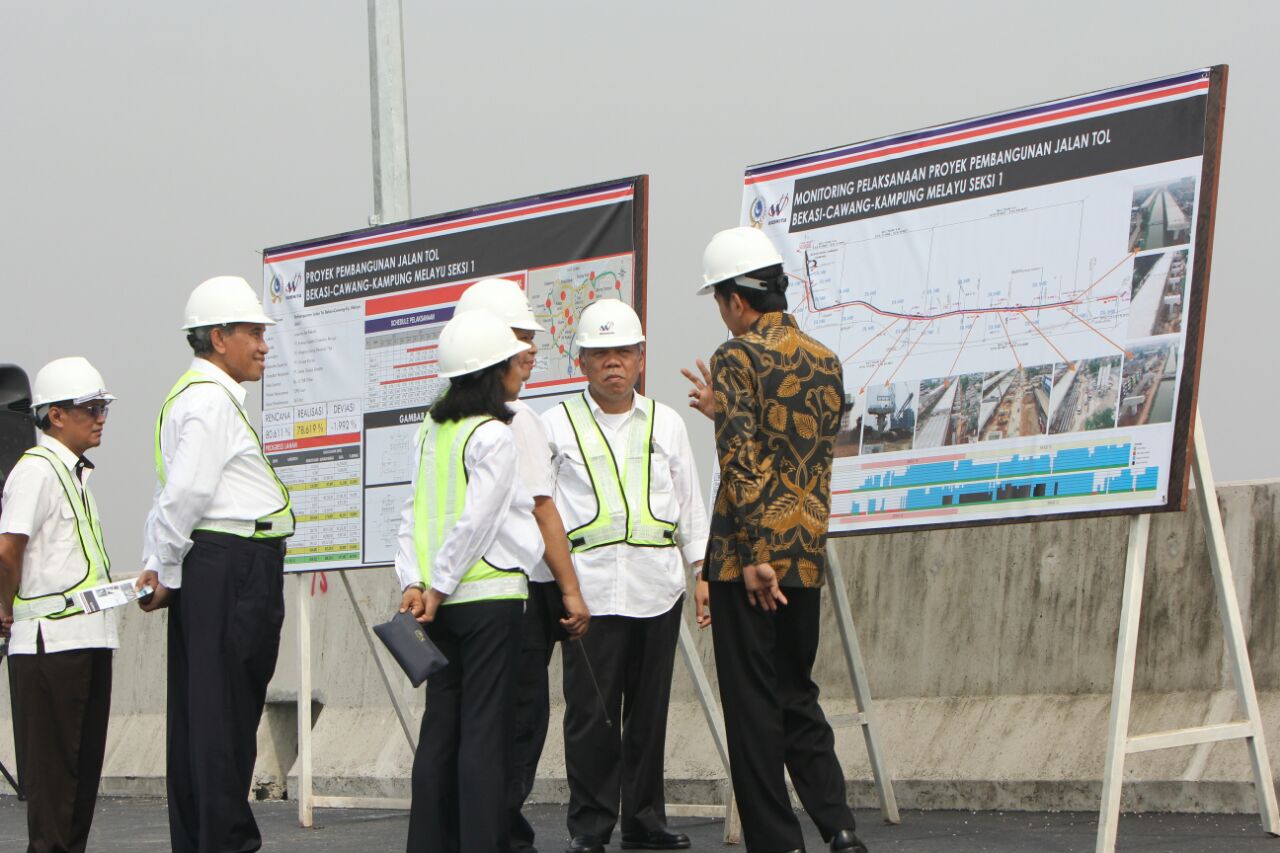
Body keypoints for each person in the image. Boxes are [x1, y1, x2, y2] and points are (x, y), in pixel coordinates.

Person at [689, 226, 868, 853]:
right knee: (798, 695)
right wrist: (726, 410)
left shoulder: (735, 357)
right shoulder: (826, 360)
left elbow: (742, 460)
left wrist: (756, 558)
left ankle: (777, 842)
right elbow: (795, 449)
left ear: (737, 300)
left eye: (719, 299)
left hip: (750, 564)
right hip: (805, 558)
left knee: (752, 711)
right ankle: (840, 829)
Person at [541, 299, 709, 853]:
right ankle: (589, 828)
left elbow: (689, 503)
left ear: (641, 358)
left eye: (624, 352)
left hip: (657, 588)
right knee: (590, 718)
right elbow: (539, 510)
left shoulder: (668, 423)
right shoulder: (554, 426)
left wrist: (702, 570)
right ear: (582, 362)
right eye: (601, 353)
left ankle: (644, 821)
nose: (613, 363)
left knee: (647, 715)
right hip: (587, 592)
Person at [135, 275, 295, 853]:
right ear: (218, 336)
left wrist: (162, 564)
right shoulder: (210, 401)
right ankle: (227, 842)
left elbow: (169, 498)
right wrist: (167, 568)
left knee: (204, 718)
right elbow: (185, 495)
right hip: (232, 564)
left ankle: (203, 840)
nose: (262, 344)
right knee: (225, 720)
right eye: (252, 332)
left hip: (215, 565)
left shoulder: (194, 396)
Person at [395, 308, 544, 853]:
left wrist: (416, 582)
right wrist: (439, 583)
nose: (518, 369)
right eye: (512, 361)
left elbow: (412, 512)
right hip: (489, 597)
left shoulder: (431, 433)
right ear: (492, 371)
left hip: (440, 606)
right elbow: (477, 521)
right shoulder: (494, 435)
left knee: (441, 731)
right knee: (486, 735)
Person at [454, 277, 591, 853]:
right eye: (518, 336)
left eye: (531, 335)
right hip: (518, 596)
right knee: (518, 723)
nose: (531, 347)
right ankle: (505, 835)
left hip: (460, 594)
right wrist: (571, 590)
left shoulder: (442, 422)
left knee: (470, 727)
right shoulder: (518, 419)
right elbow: (544, 512)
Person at [0, 357, 116, 853]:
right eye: (88, 407)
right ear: (54, 416)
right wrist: (4, 612)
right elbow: (8, 550)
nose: (100, 417)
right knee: (53, 795)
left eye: (102, 406)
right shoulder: (36, 471)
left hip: (89, 640)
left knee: (79, 788)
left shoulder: (76, 475)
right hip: (50, 648)